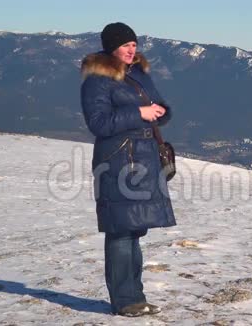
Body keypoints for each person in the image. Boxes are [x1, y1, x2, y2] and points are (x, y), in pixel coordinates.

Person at [80, 22, 176, 317]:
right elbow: (98, 123)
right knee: (121, 230)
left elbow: (157, 104)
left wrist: (160, 111)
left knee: (134, 229)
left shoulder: (139, 73)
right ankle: (125, 300)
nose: (132, 50)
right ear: (112, 48)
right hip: (118, 161)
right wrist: (139, 113)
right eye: (126, 45)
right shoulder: (97, 80)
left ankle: (136, 296)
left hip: (143, 160)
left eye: (134, 44)